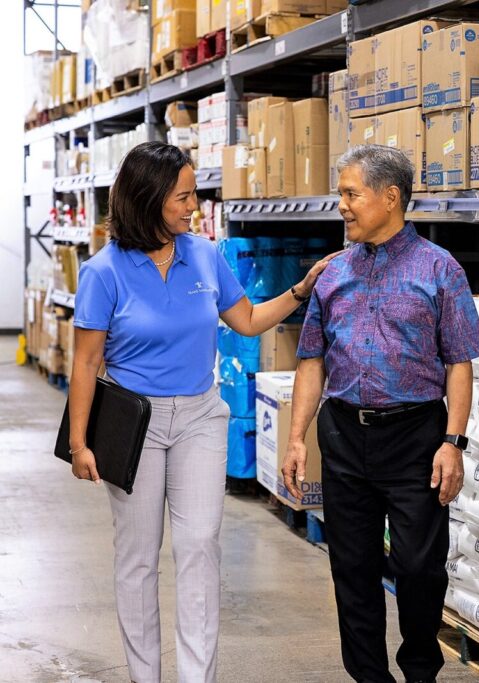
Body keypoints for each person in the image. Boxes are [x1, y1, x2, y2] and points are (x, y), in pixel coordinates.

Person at [67, 141, 337, 683]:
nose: (193, 205)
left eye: (194, 195)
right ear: (148, 200)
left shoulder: (205, 254)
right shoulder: (104, 271)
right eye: (183, 196)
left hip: (199, 419)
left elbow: (248, 320)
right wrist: (80, 443)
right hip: (133, 424)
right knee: (139, 558)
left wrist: (299, 291)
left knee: (198, 549)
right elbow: (86, 361)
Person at [282, 144, 479, 682]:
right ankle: (370, 676)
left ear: (390, 197)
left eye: (351, 194)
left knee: (420, 567)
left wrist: (453, 443)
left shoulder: (439, 269)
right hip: (345, 435)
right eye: (341, 195)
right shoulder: (331, 274)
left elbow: (459, 362)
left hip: (416, 437)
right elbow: (311, 360)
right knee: (351, 568)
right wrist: (298, 436)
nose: (342, 207)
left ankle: (420, 669)